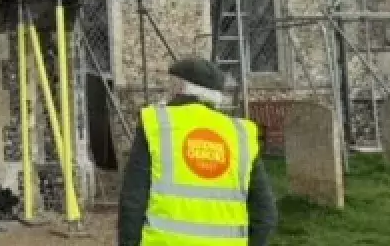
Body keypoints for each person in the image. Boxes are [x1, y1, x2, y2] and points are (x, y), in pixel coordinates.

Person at [117, 57, 277, 246]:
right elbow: (265, 214)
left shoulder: (157, 125)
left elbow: (133, 203)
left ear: (179, 88)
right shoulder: (240, 135)